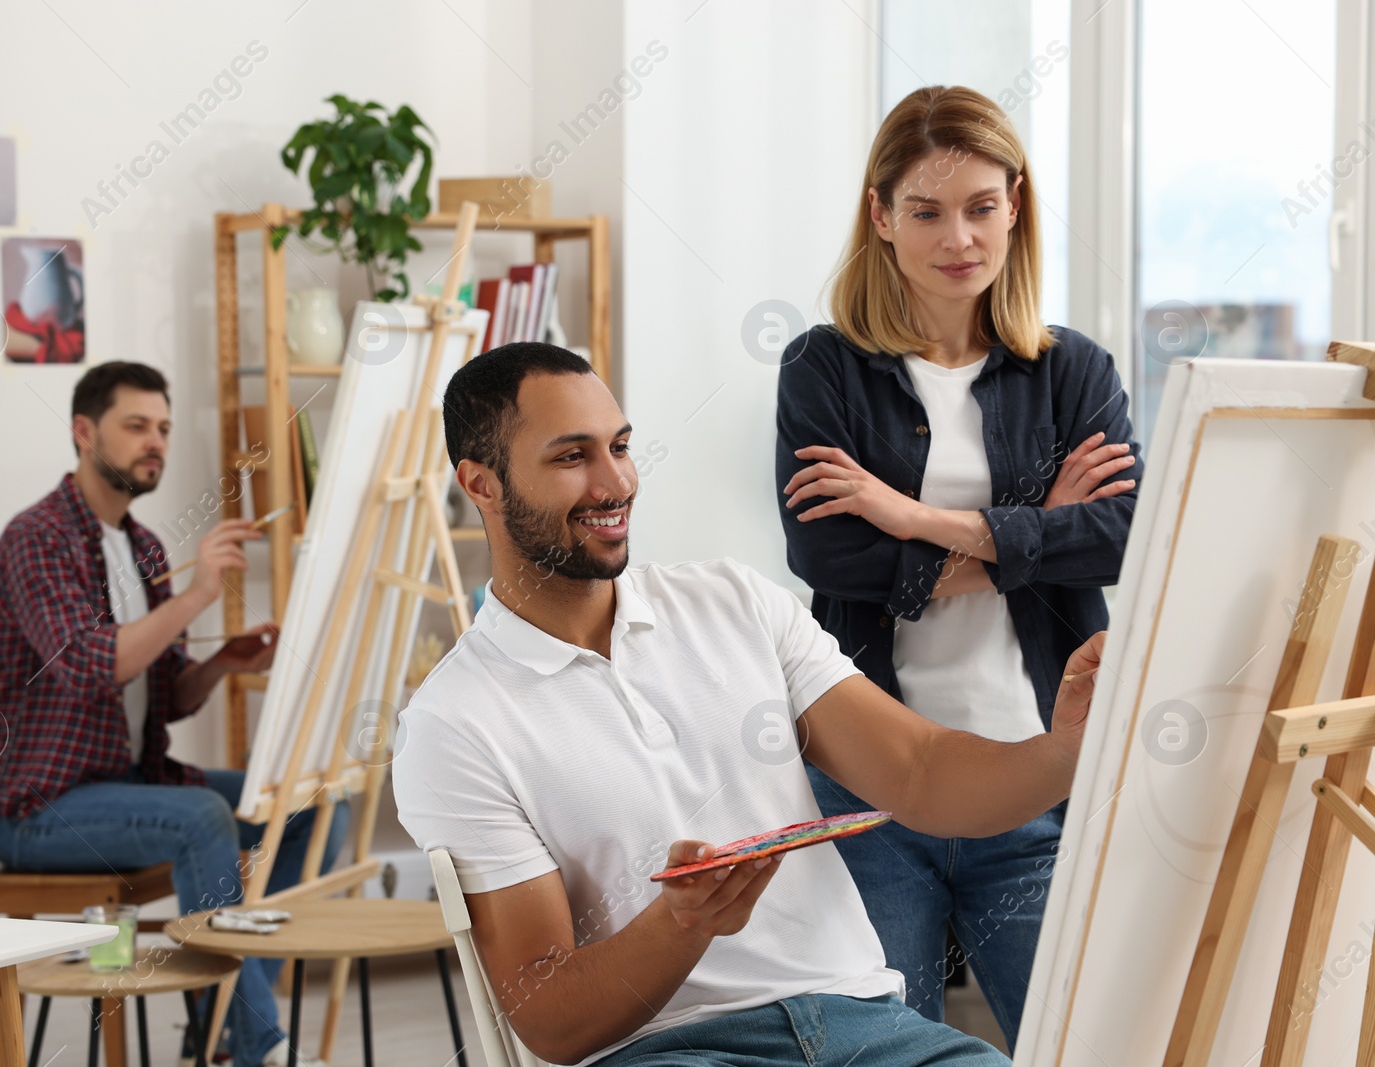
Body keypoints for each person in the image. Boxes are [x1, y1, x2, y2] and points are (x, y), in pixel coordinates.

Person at [394, 342, 1104, 1067]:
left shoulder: (735, 602)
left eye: (621, 446)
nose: (615, 483)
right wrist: (682, 923)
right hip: (670, 1050)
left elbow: (921, 769)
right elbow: (550, 1017)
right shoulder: (454, 723)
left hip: (866, 1028)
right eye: (572, 456)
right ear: (481, 485)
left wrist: (1068, 747)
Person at [774, 85, 1141, 1049]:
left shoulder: (1074, 372)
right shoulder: (822, 369)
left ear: (1015, 205)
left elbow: (1120, 531)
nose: (959, 237)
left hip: (1035, 770)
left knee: (1077, 1040)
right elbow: (829, 554)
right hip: (871, 783)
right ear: (881, 215)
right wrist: (1030, 532)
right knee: (893, 1048)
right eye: (927, 210)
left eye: (982, 207)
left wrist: (912, 516)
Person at [0, 361, 346, 1067]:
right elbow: (92, 667)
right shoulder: (37, 539)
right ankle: (255, 1045)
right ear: (84, 433)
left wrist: (223, 662)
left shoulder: (144, 548)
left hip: (124, 782)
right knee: (202, 816)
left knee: (304, 802)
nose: (157, 442)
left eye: (165, 429)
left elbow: (170, 694)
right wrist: (198, 596)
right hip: (37, 806)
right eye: (137, 426)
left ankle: (219, 1026)